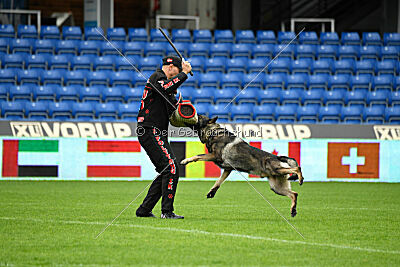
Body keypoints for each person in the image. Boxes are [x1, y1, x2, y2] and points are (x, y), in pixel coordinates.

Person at [135, 56, 192, 219]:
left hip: (157, 131)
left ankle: (144, 210)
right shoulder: (157, 77)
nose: (178, 74)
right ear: (171, 67)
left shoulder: (167, 88)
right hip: (149, 129)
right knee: (172, 167)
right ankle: (167, 212)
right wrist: (185, 74)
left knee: (166, 170)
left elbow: (175, 113)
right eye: (178, 71)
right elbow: (166, 87)